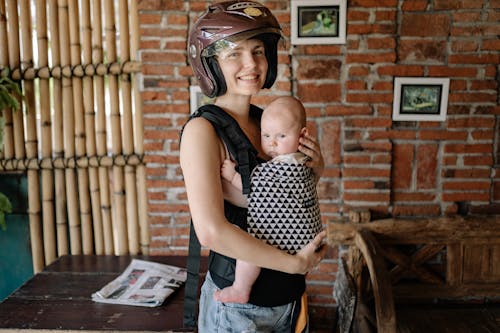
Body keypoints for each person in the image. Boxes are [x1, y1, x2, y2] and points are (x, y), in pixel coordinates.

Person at [180, 1, 327, 332]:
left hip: (288, 300)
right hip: (239, 311)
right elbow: (211, 232)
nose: (251, 63)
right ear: (211, 63)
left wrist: (316, 170)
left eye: (258, 50)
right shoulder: (202, 131)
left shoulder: (268, 121)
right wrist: (295, 263)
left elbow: (283, 198)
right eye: (234, 53)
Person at [214, 96, 323, 304]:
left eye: (281, 136)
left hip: (289, 240)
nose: (272, 143)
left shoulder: (279, 168)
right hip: (307, 239)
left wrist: (231, 176)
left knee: (248, 247)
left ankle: (240, 288)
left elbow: (254, 187)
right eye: (266, 135)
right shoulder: (306, 160)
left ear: (302, 135)